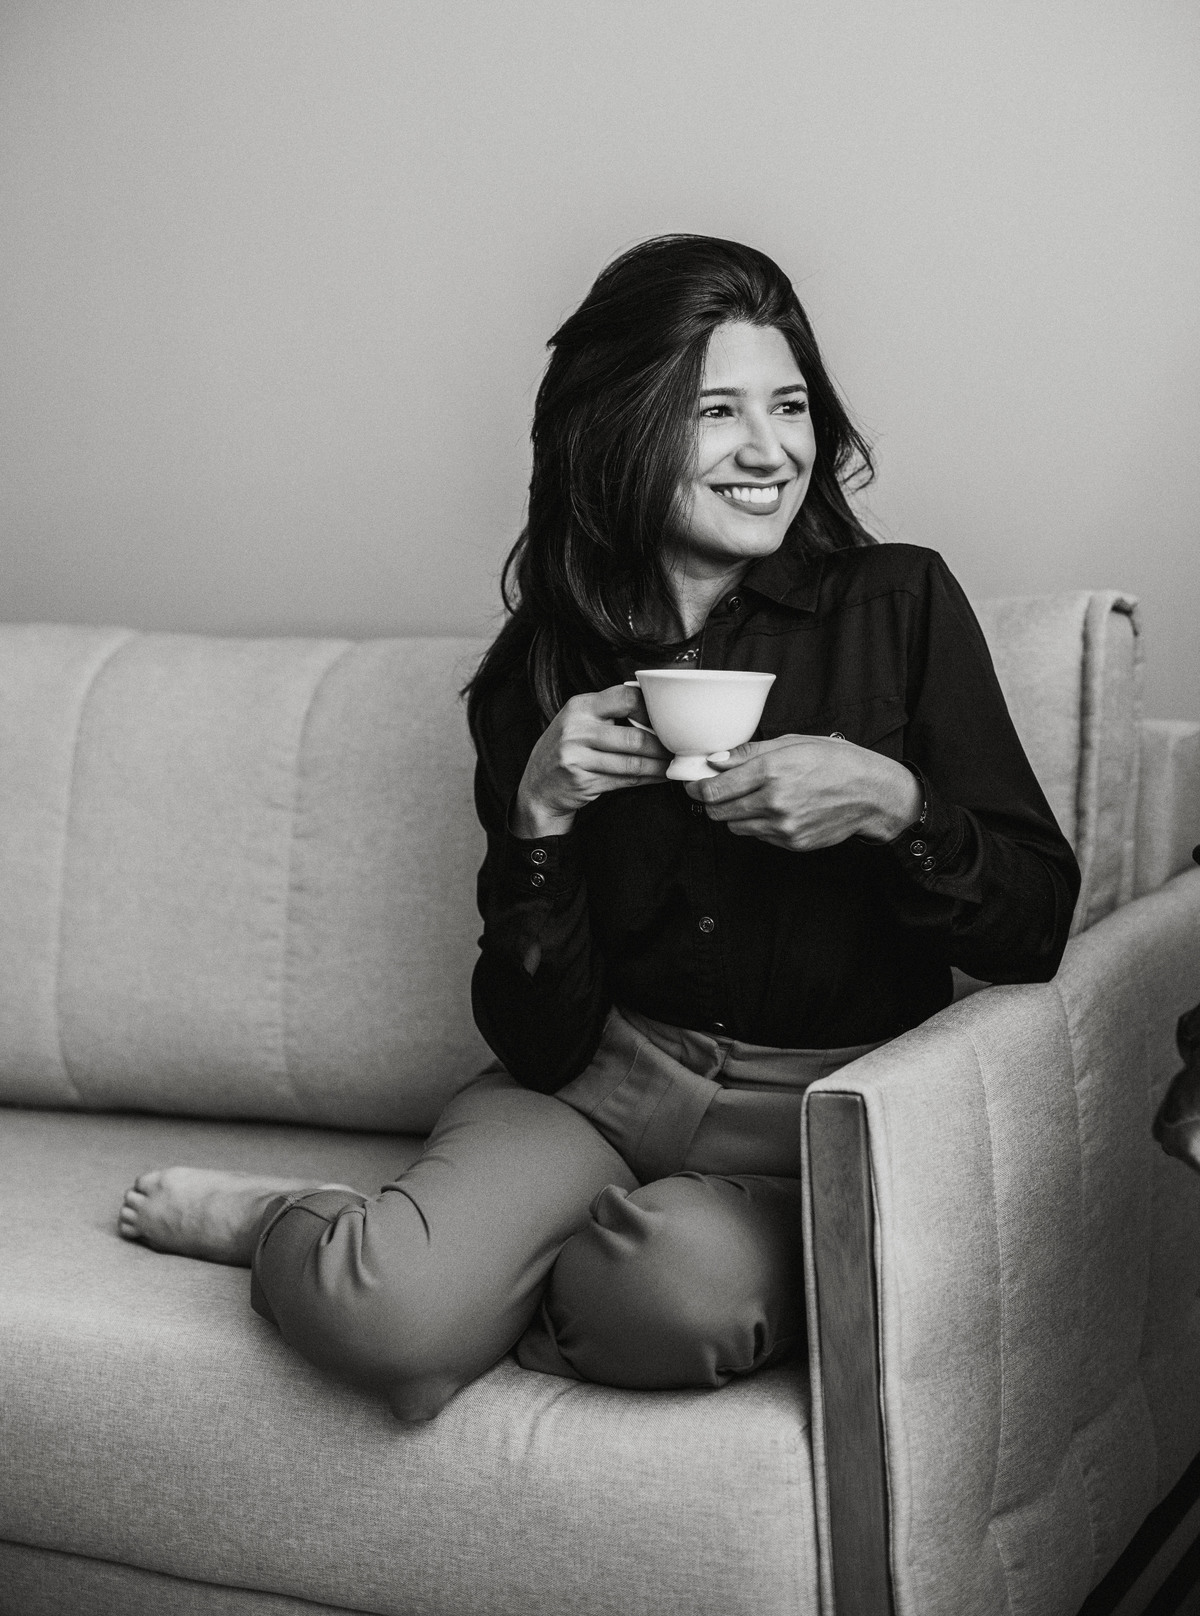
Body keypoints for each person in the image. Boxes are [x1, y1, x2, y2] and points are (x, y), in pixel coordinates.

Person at [118, 234, 1080, 1420]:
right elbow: (537, 1040)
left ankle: (467, 1267)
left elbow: (1035, 926)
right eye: (716, 412)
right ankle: (292, 1225)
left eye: (789, 406)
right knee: (388, 1318)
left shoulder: (899, 605)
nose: (771, 450)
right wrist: (539, 820)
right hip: (596, 1089)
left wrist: (896, 805)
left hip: (817, 1118)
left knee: (673, 1302)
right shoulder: (540, 675)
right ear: (620, 432)